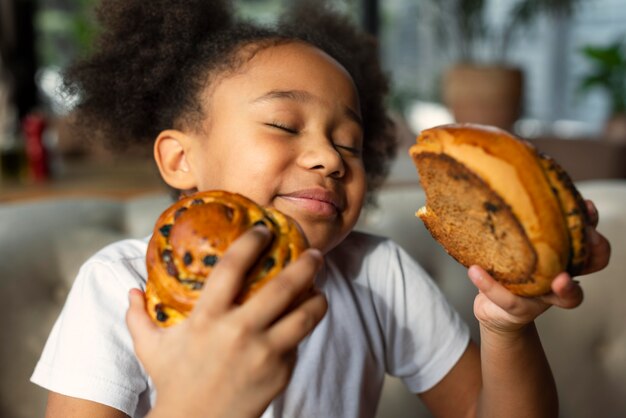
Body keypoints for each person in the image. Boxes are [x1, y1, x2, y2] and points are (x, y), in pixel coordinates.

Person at [31, 1, 611, 417]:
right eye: (284, 124)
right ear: (180, 158)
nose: (330, 160)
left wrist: (507, 327)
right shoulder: (120, 286)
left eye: (351, 144)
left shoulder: (378, 275)